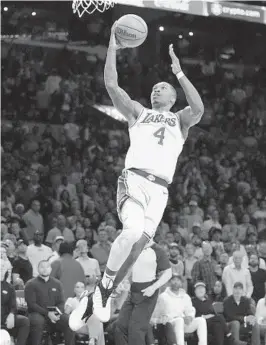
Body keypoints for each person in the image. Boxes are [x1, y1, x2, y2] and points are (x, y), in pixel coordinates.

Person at [74, 20, 204, 324]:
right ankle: (104, 288)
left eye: (164, 88)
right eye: (155, 87)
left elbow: (198, 108)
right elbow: (111, 86)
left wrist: (179, 73)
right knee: (130, 232)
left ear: (173, 99)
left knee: (138, 246)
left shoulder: (181, 120)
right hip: (134, 179)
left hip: (160, 191)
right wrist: (112, 47)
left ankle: (102, 293)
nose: (157, 88)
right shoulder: (139, 112)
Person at [114, 239, 172, 345]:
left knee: (136, 328)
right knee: (120, 325)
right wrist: (123, 281)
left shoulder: (158, 250)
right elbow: (129, 267)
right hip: (133, 290)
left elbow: (168, 272)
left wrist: (154, 287)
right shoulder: (134, 247)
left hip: (148, 291)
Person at [25, 260, 75, 345]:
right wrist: (47, 313)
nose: (45, 269)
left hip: (54, 314)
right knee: (38, 321)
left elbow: (61, 302)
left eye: (47, 267)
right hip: (36, 313)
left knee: (69, 320)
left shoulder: (57, 283)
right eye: (42, 267)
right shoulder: (31, 284)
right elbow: (32, 304)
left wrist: (57, 313)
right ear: (38, 269)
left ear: (50, 269)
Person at [152, 275, 207, 345]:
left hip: (183, 322)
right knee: (179, 320)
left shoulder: (185, 296)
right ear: (169, 282)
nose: (176, 282)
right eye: (173, 280)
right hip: (169, 323)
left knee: (201, 320)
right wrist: (178, 318)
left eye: (178, 280)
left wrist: (190, 317)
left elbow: (190, 310)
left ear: (181, 283)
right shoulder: (163, 296)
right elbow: (158, 315)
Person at [1, 264, 30, 345]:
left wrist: (11, 315)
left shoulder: (9, 287)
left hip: (5, 317)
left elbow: (13, 305)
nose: (1, 269)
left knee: (24, 321)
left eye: (2, 267)